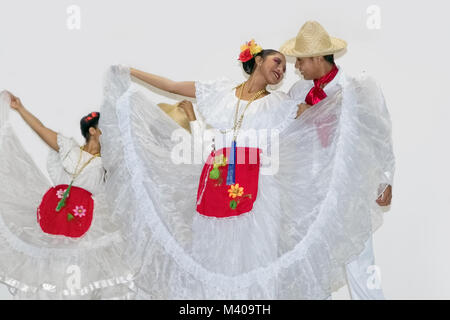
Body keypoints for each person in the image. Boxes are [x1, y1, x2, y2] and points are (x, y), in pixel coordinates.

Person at [280, 20, 395, 299]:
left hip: (349, 189)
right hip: (309, 193)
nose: (297, 67)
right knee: (312, 266)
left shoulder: (357, 89)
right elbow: (281, 134)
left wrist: (385, 180)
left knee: (359, 262)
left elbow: (379, 135)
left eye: (302, 61)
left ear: (319, 57)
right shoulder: (297, 93)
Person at [0, 91, 135, 299]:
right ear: (93, 130)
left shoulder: (109, 162)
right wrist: (20, 108)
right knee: (55, 268)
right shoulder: (69, 149)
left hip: (87, 222)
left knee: (82, 269)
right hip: (55, 215)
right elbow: (41, 129)